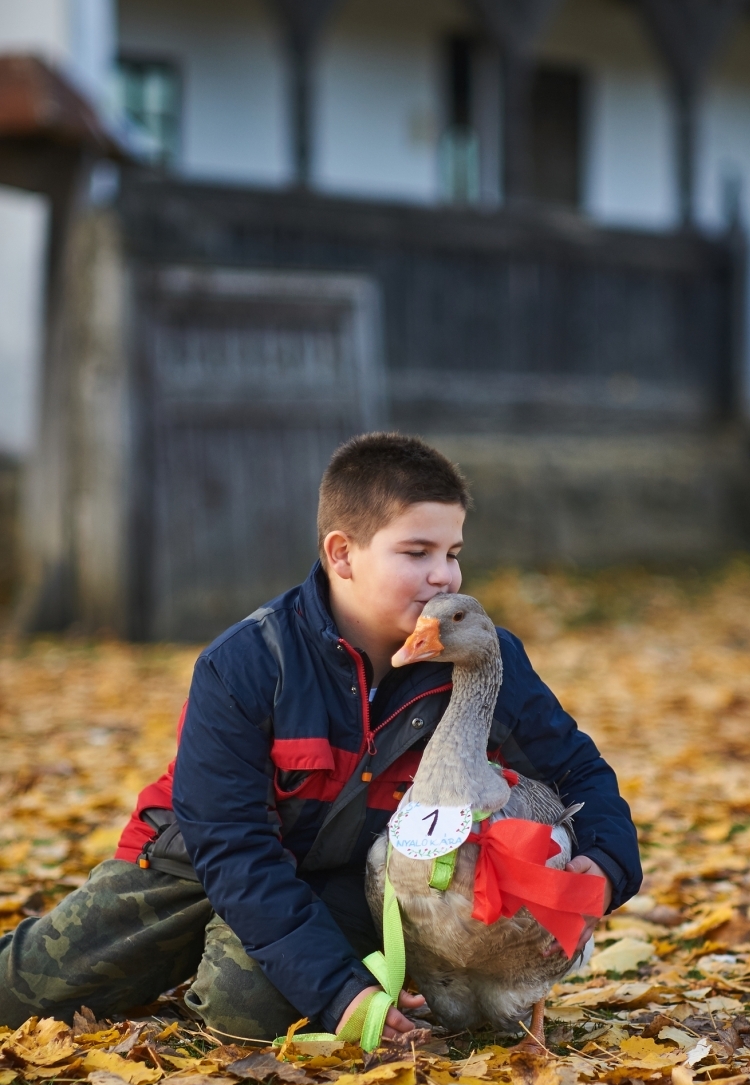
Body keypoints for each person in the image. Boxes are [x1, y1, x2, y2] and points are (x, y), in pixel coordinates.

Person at [0, 433, 641, 1040]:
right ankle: (183, 945)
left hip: (348, 885)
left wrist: (607, 861)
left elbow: (577, 772)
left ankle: (241, 962)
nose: (444, 576)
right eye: (417, 553)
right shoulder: (247, 663)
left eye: (452, 554)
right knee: (22, 992)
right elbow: (233, 847)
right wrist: (336, 987)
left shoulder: (481, 659)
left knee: (247, 1007)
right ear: (342, 555)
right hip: (195, 864)